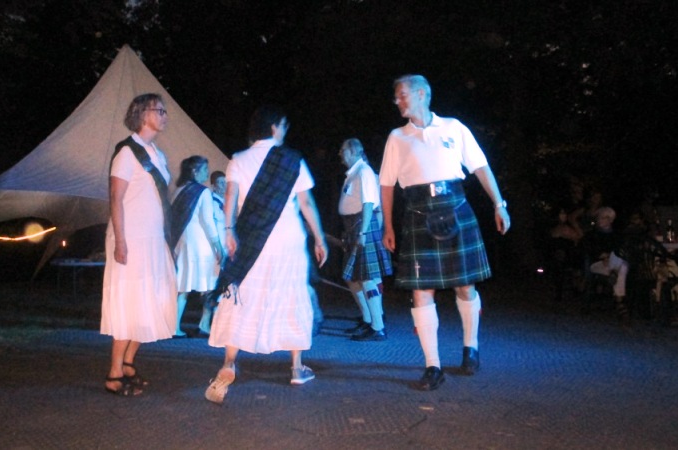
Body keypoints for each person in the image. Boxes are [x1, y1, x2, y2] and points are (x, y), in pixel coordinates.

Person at [379, 75, 510, 391]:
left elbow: (480, 167)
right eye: (396, 96)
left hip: (455, 208)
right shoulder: (397, 137)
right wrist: (388, 226)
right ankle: (432, 366)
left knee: (465, 286)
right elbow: (386, 185)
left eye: (402, 95)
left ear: (422, 94)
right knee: (421, 290)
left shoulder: (453, 127)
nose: (397, 101)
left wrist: (499, 204)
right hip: (418, 214)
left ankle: (471, 347)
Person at [203, 105, 328, 404]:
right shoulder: (292, 159)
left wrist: (229, 231)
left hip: (250, 239)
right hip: (287, 240)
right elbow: (306, 203)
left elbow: (230, 197)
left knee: (240, 296)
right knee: (292, 296)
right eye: (283, 126)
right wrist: (320, 238)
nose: (284, 131)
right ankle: (297, 368)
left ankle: (229, 363)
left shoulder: (238, 159)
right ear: (274, 127)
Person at [101, 93, 177, 396]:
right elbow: (115, 199)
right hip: (131, 240)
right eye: (159, 110)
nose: (164, 116)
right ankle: (114, 373)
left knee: (152, 301)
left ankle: (129, 363)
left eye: (164, 111)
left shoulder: (157, 153)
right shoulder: (127, 153)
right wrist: (120, 241)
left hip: (154, 240)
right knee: (130, 304)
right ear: (142, 114)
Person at [337, 138, 393, 341]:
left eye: (343, 150)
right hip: (354, 227)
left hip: (363, 226)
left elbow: (369, 203)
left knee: (367, 278)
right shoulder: (354, 174)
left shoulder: (364, 172)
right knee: (353, 278)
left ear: (353, 151)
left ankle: (378, 327)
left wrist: (362, 232)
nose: (340, 154)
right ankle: (369, 320)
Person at [169, 156, 223, 338]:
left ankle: (175, 326)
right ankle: (205, 324)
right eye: (205, 169)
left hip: (182, 243)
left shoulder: (178, 191)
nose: (207, 173)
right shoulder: (203, 192)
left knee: (183, 286)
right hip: (201, 244)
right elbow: (208, 221)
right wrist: (218, 246)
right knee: (210, 284)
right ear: (195, 171)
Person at [581, 206, 630, 325]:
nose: (600, 220)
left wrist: (609, 257)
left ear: (610, 220)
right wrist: (602, 256)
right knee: (623, 266)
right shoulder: (591, 235)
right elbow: (587, 250)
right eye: (600, 217)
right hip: (598, 264)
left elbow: (621, 251)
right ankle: (619, 302)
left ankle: (614, 275)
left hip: (613, 264)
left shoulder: (617, 236)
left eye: (604, 218)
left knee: (621, 263)